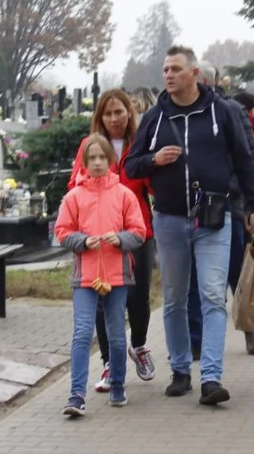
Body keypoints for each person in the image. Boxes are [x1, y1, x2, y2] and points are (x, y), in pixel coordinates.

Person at [126, 46, 254, 406]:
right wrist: (154, 160)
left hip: (213, 219)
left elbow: (246, 161)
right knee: (173, 298)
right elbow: (131, 166)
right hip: (170, 220)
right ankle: (181, 370)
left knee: (213, 296)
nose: (168, 75)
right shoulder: (155, 117)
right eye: (165, 69)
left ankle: (212, 378)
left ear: (195, 74)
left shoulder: (223, 112)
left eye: (175, 69)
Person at [66, 89, 156, 393]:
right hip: (97, 237)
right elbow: (74, 185)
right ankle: (107, 362)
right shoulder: (88, 147)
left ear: (129, 113)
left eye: (119, 112)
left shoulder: (139, 144)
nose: (114, 118)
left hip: (136, 230)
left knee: (138, 294)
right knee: (103, 303)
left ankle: (139, 345)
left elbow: (150, 183)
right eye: (108, 113)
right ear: (100, 117)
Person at [56, 135, 148, 416]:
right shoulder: (74, 196)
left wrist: (120, 239)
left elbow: (139, 231)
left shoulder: (124, 195)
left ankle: (118, 386)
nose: (96, 163)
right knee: (82, 333)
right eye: (91, 158)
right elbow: (62, 231)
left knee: (117, 335)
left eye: (101, 158)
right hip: (85, 277)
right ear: (83, 162)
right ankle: (76, 395)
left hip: (117, 275)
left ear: (111, 161)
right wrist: (82, 241)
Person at [186, 64, 254, 358]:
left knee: (234, 270)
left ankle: (249, 327)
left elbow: (250, 156)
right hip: (189, 205)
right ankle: (195, 338)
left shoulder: (230, 111)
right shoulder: (178, 115)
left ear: (206, 80)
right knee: (193, 276)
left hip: (227, 203)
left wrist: (235, 191)